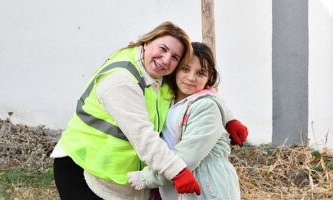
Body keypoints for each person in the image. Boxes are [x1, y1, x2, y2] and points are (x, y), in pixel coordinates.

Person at [50, 21, 202, 200]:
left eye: (175, 57)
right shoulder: (122, 81)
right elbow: (143, 135)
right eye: (162, 48)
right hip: (83, 170)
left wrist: (224, 114)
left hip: (120, 179)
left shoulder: (158, 76)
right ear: (146, 43)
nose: (166, 59)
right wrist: (176, 171)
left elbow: (193, 86)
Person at [128, 42, 241, 200]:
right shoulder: (166, 99)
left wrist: (147, 178)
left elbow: (189, 155)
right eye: (185, 69)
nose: (191, 78)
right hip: (173, 185)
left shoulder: (206, 107)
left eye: (200, 73)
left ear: (209, 77)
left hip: (207, 186)